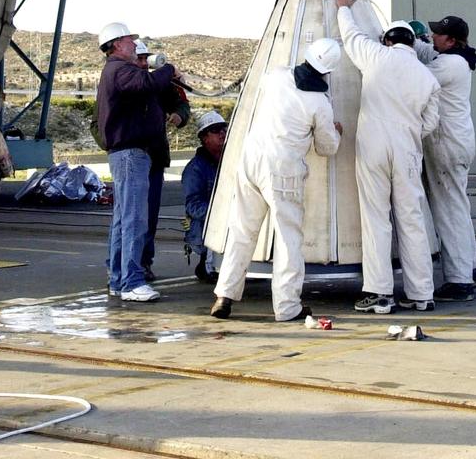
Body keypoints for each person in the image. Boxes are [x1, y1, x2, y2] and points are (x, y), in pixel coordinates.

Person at [210, 38, 343, 321]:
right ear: (329, 71)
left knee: (242, 230)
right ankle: (287, 307)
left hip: (251, 159)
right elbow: (326, 147)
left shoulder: (276, 76)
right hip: (283, 169)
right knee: (288, 238)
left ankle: (224, 295)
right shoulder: (319, 102)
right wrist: (335, 130)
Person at [335, 0, 440, 315]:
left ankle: (380, 293)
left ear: (388, 39)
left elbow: (351, 37)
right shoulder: (428, 77)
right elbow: (431, 123)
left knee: (376, 218)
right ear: (411, 42)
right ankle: (421, 293)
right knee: (411, 219)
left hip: (374, 147)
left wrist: (343, 7)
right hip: (408, 150)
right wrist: (406, 132)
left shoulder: (377, 56)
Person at [96, 21, 183, 302]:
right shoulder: (120, 70)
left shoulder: (119, 71)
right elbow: (146, 83)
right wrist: (168, 69)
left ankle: (119, 278)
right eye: (130, 41)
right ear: (117, 45)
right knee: (134, 218)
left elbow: (156, 91)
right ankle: (132, 281)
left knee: (124, 219)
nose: (135, 45)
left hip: (130, 154)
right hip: (132, 153)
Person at [413, 14, 476, 302]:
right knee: (458, 208)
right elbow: (426, 52)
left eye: (438, 34)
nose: (432, 37)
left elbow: (414, 77)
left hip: (446, 145)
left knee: (448, 213)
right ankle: (470, 269)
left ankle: (459, 280)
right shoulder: (458, 59)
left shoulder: (448, 65)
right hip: (458, 142)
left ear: (451, 40)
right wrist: (411, 41)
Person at [133, 40, 190, 282]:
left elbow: (181, 102)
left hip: (154, 159)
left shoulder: (158, 84)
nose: (144, 63)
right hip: (130, 160)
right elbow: (99, 122)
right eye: (140, 58)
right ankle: (125, 266)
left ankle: (143, 262)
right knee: (129, 217)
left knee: (150, 216)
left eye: (146, 58)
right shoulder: (119, 82)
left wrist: (178, 115)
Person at [182, 110, 228, 282]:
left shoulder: (231, 161)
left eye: (224, 128)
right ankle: (208, 265)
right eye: (216, 130)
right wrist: (220, 213)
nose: (222, 133)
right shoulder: (195, 169)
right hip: (205, 226)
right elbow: (192, 206)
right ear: (204, 138)